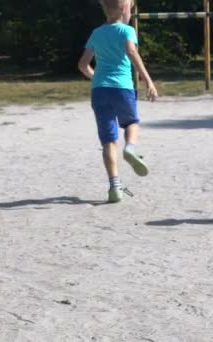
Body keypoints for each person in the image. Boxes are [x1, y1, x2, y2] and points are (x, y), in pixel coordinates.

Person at [78, 0, 158, 203]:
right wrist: (148, 81)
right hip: (122, 87)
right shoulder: (126, 30)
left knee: (108, 141)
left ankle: (114, 187)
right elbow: (132, 52)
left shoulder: (96, 33)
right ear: (124, 9)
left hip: (99, 90)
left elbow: (83, 65)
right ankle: (130, 149)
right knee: (131, 123)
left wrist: (97, 78)